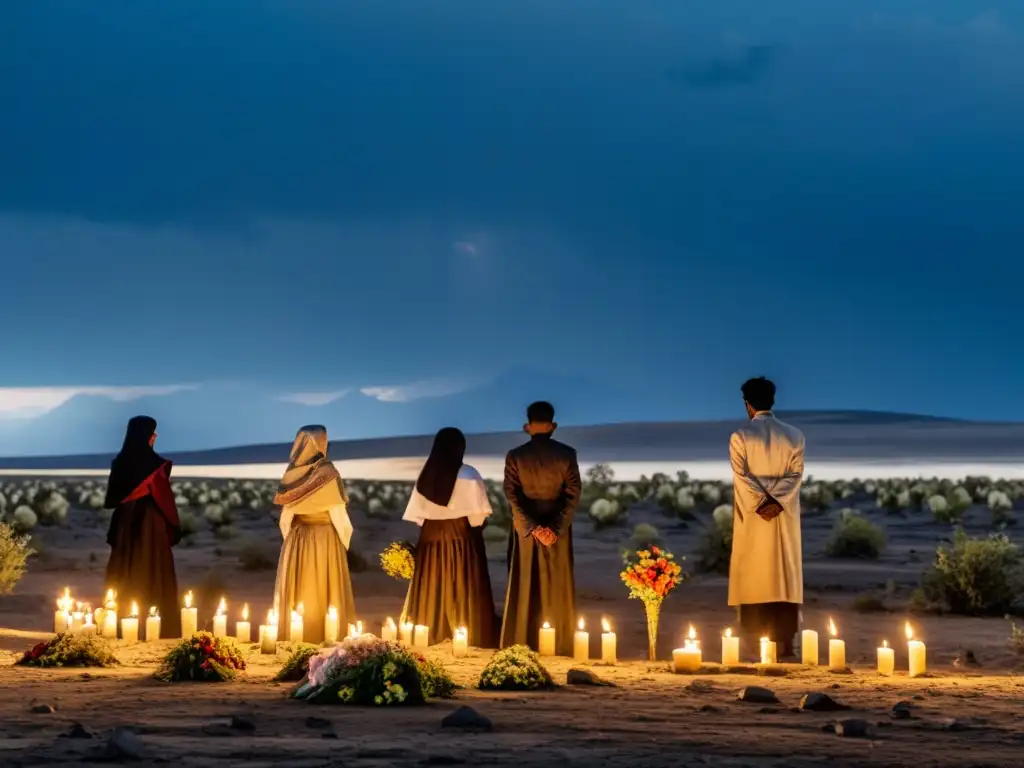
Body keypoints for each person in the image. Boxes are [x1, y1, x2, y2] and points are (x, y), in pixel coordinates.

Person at [728, 377, 806, 660]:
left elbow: (742, 477)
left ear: (748, 405)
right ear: (772, 401)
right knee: (783, 575)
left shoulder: (740, 437)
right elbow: (795, 476)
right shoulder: (795, 436)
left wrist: (762, 502)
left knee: (754, 574)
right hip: (783, 518)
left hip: (753, 517)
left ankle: (753, 644)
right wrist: (777, 501)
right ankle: (785, 644)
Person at [401, 427, 498, 648]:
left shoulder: (425, 477)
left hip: (430, 540)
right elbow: (477, 519)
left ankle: (430, 631)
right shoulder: (469, 475)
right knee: (462, 585)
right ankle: (467, 633)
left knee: (432, 585)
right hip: (462, 540)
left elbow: (418, 517)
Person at [500, 401, 582, 656]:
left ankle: (521, 640)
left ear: (527, 426)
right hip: (557, 531)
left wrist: (533, 527)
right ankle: (560, 643)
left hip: (526, 531)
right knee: (557, 583)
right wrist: (554, 528)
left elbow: (512, 495)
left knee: (525, 583)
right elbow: (573, 494)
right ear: (553, 426)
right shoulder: (567, 454)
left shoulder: (515, 455)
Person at [273, 425, 356, 643]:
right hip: (326, 540)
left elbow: (285, 519)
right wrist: (343, 543)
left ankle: (297, 639)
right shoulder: (327, 473)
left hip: (297, 539)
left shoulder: (290, 474)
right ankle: (326, 637)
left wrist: (292, 543)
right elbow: (339, 516)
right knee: (326, 588)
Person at [103, 415, 182, 637]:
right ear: (147, 435)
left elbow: (114, 499)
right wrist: (174, 526)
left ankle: (122, 623)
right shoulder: (156, 466)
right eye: (153, 432)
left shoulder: (120, 463)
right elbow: (165, 500)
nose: (155, 436)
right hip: (151, 524)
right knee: (151, 566)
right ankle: (155, 623)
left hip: (124, 523)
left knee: (126, 566)